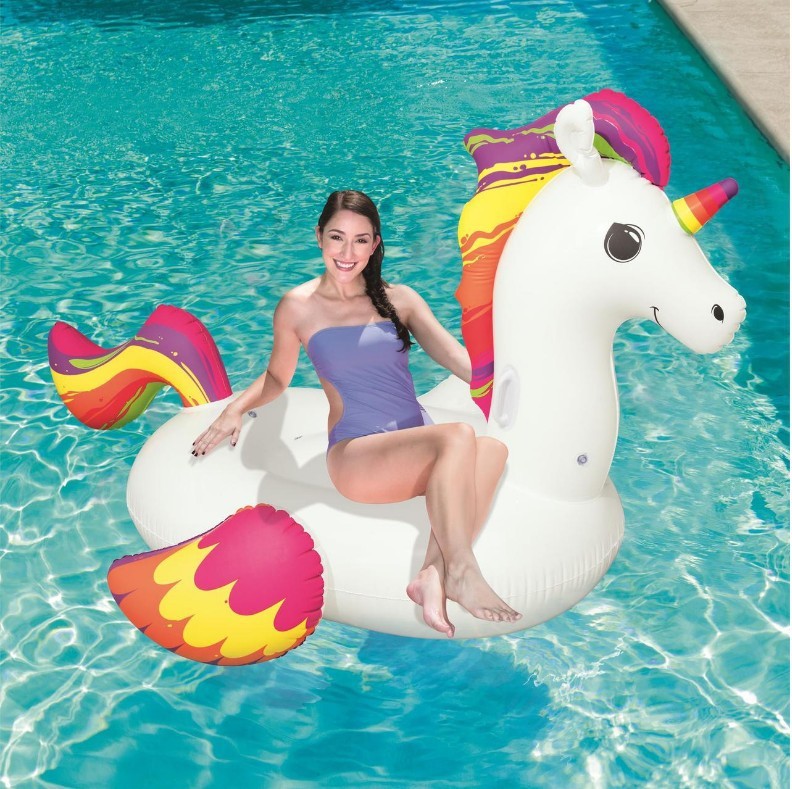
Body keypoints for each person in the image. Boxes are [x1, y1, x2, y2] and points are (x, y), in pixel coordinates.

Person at [192, 190, 521, 638]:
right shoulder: (298, 307)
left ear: (375, 244)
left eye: (361, 240)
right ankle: (461, 570)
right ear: (319, 238)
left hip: (414, 445)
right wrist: (234, 409)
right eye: (337, 238)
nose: (347, 253)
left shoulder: (400, 299)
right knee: (459, 435)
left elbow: (454, 357)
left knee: (494, 450)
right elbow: (278, 377)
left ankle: (431, 574)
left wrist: (512, 384)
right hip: (357, 455)